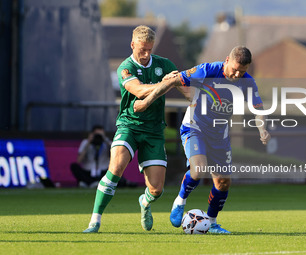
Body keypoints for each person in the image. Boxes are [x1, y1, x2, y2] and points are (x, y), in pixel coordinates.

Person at [133, 46, 271, 234]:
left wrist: (261, 128)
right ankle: (180, 201)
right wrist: (146, 101)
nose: (238, 74)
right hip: (194, 127)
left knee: (223, 183)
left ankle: (212, 223)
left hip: (219, 136)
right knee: (198, 169)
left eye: (243, 71)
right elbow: (173, 81)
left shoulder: (247, 82)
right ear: (227, 60)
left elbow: (258, 109)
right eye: (235, 69)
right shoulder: (207, 70)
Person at [83, 25, 177, 233]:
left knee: (157, 190)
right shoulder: (125, 67)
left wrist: (192, 96)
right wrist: (165, 84)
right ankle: (95, 221)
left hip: (154, 131)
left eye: (149, 50)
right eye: (142, 49)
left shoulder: (163, 64)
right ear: (132, 44)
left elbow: (184, 84)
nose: (145, 54)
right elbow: (139, 91)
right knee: (116, 167)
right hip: (129, 125)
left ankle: (144, 201)